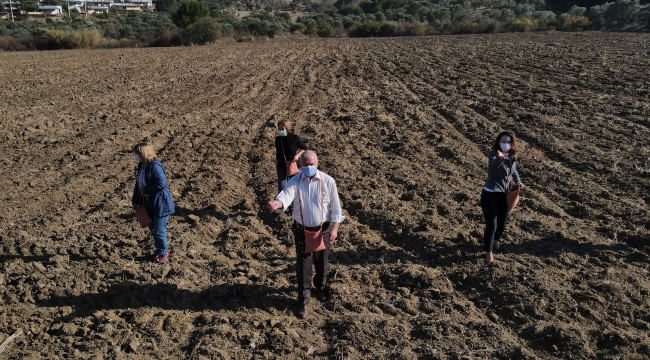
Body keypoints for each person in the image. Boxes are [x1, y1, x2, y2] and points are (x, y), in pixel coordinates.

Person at [268, 150, 345, 319]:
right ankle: (303, 299)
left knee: (322, 261)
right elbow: (286, 197)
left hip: (323, 229)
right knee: (304, 264)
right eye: (306, 165)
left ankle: (321, 287)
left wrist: (334, 228)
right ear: (300, 165)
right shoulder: (295, 181)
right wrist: (277, 203)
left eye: (312, 164)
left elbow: (336, 207)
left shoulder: (328, 181)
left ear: (317, 163)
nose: (309, 167)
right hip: (302, 230)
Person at [481, 130, 525, 264]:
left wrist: (518, 181)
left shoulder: (512, 157)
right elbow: (493, 166)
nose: (506, 144)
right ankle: (488, 252)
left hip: (504, 195)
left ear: (512, 144)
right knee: (492, 226)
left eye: (508, 142)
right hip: (490, 194)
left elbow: (514, 170)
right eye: (503, 141)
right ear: (498, 143)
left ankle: (495, 241)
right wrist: (500, 159)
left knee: (502, 224)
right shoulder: (494, 155)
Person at [131, 142, 175, 264]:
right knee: (153, 229)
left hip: (160, 203)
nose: (135, 156)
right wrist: (135, 200)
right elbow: (138, 185)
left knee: (159, 230)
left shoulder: (155, 166)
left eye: (137, 153)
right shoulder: (142, 166)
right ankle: (160, 250)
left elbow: (161, 184)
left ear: (144, 153)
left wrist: (146, 190)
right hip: (148, 203)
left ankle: (163, 253)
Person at [274, 120, 307, 191]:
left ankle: (295, 201)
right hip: (281, 166)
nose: (280, 131)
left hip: (293, 165)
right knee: (282, 188)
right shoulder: (278, 140)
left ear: (287, 128)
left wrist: (297, 156)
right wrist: (276, 165)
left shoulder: (294, 138)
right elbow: (278, 153)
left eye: (282, 129)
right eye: (279, 129)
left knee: (294, 187)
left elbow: (304, 148)